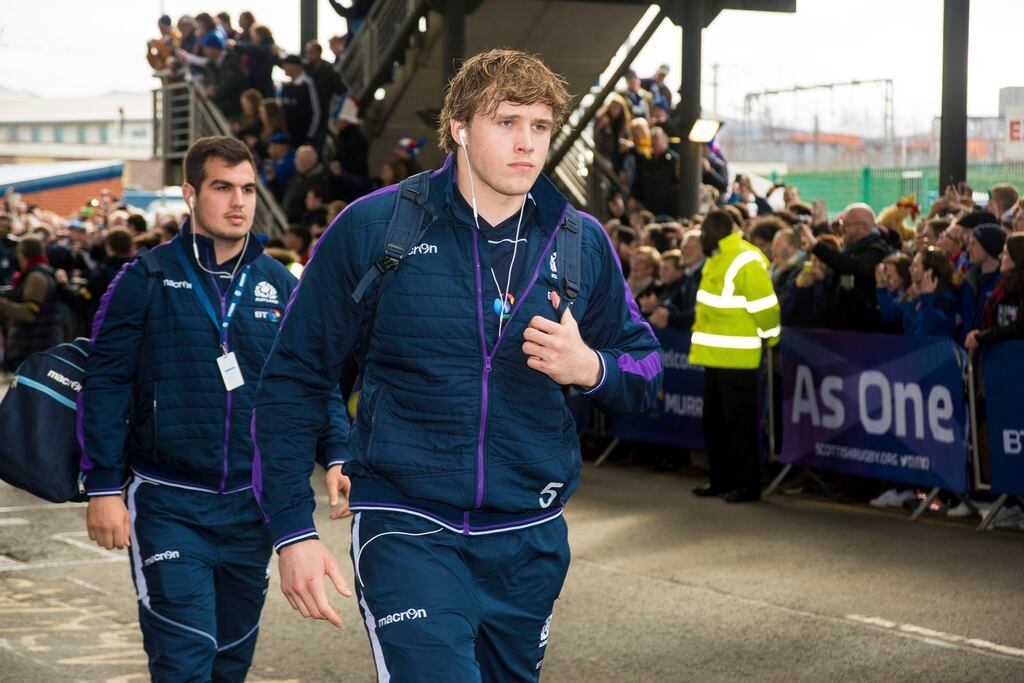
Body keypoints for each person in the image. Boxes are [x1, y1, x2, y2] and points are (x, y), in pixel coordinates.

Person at [252, 48, 662, 681]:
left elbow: (645, 373)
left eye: (541, 126)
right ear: (459, 129)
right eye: (507, 122)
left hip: (530, 534)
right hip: (407, 523)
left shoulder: (579, 241)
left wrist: (591, 369)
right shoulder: (374, 227)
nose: (527, 143)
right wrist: (290, 529)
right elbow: (295, 377)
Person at [78, 136, 348, 682]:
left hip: (252, 510)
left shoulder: (280, 284)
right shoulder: (144, 279)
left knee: (229, 661)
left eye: (248, 188)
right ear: (190, 194)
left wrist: (338, 451)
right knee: (184, 658)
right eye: (223, 187)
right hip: (167, 503)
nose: (238, 202)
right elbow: (103, 384)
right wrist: (103, 487)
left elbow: (312, 382)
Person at [690, 210, 780, 503]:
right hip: (714, 356)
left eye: (705, 231)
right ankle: (720, 479)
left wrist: (772, 338)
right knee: (714, 423)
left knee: (739, 425)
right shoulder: (717, 256)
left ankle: (747, 485)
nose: (702, 236)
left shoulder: (746, 258)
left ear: (720, 228)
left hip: (739, 359)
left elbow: (766, 306)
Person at [799, 203, 892, 331]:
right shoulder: (851, 249)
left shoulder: (876, 250)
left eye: (845, 224)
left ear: (862, 228)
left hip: (863, 332)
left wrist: (815, 246)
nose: (841, 229)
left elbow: (852, 265)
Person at [0, 237, 63, 371]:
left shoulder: (36, 277)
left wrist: (2, 304)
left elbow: (29, 313)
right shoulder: (42, 272)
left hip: (35, 347)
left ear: (22, 255)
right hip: (37, 344)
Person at [876, 248, 958, 337]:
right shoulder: (913, 294)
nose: (910, 269)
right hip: (914, 348)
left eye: (915, 266)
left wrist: (927, 297)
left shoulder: (946, 298)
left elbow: (931, 327)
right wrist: (881, 286)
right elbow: (889, 315)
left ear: (929, 272)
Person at [966, 234, 1024, 353]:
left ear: (1017, 258)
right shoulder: (1004, 286)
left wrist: (981, 337)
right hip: (998, 358)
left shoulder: (1019, 290)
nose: (1000, 256)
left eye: (1006, 253)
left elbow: (1018, 328)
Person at [648, 229, 705, 331]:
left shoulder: (705, 274)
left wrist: (669, 317)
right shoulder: (687, 274)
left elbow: (699, 314)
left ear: (702, 250)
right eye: (683, 247)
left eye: (689, 248)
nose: (684, 251)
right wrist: (660, 308)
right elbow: (674, 301)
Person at [957, 223, 1005, 345]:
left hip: (990, 352)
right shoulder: (968, 279)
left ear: (988, 247)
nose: (968, 249)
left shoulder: (1004, 284)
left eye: (974, 244)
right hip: (966, 351)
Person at [633, 127, 679, 217]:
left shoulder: (674, 161)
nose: (653, 142)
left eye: (656, 138)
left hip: (668, 210)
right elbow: (640, 182)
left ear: (665, 139)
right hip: (650, 209)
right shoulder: (648, 162)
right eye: (652, 139)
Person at [277, 54, 321, 147]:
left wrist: (310, 137)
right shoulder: (286, 86)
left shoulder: (307, 84)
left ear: (294, 66)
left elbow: (316, 112)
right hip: (288, 138)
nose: (283, 68)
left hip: (303, 138)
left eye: (285, 65)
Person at [201, 33, 246, 119]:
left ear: (215, 49)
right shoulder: (210, 65)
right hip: (221, 108)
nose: (204, 51)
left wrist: (214, 91)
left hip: (233, 110)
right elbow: (209, 82)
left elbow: (228, 86)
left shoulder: (232, 62)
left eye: (206, 48)